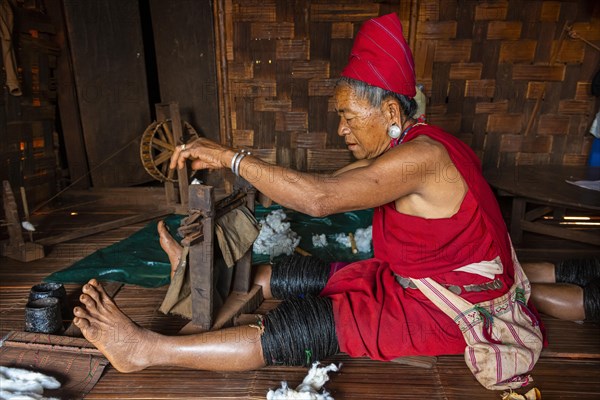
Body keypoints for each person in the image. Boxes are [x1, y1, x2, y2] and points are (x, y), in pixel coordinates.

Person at [72, 13, 598, 374]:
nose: (342, 130)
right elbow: (332, 187)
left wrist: (229, 157)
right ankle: (200, 277)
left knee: (307, 326)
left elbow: (320, 199)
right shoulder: (417, 142)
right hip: (412, 278)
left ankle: (146, 351)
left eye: (348, 117)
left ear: (390, 113)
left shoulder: (422, 157)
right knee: (321, 276)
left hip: (438, 303)